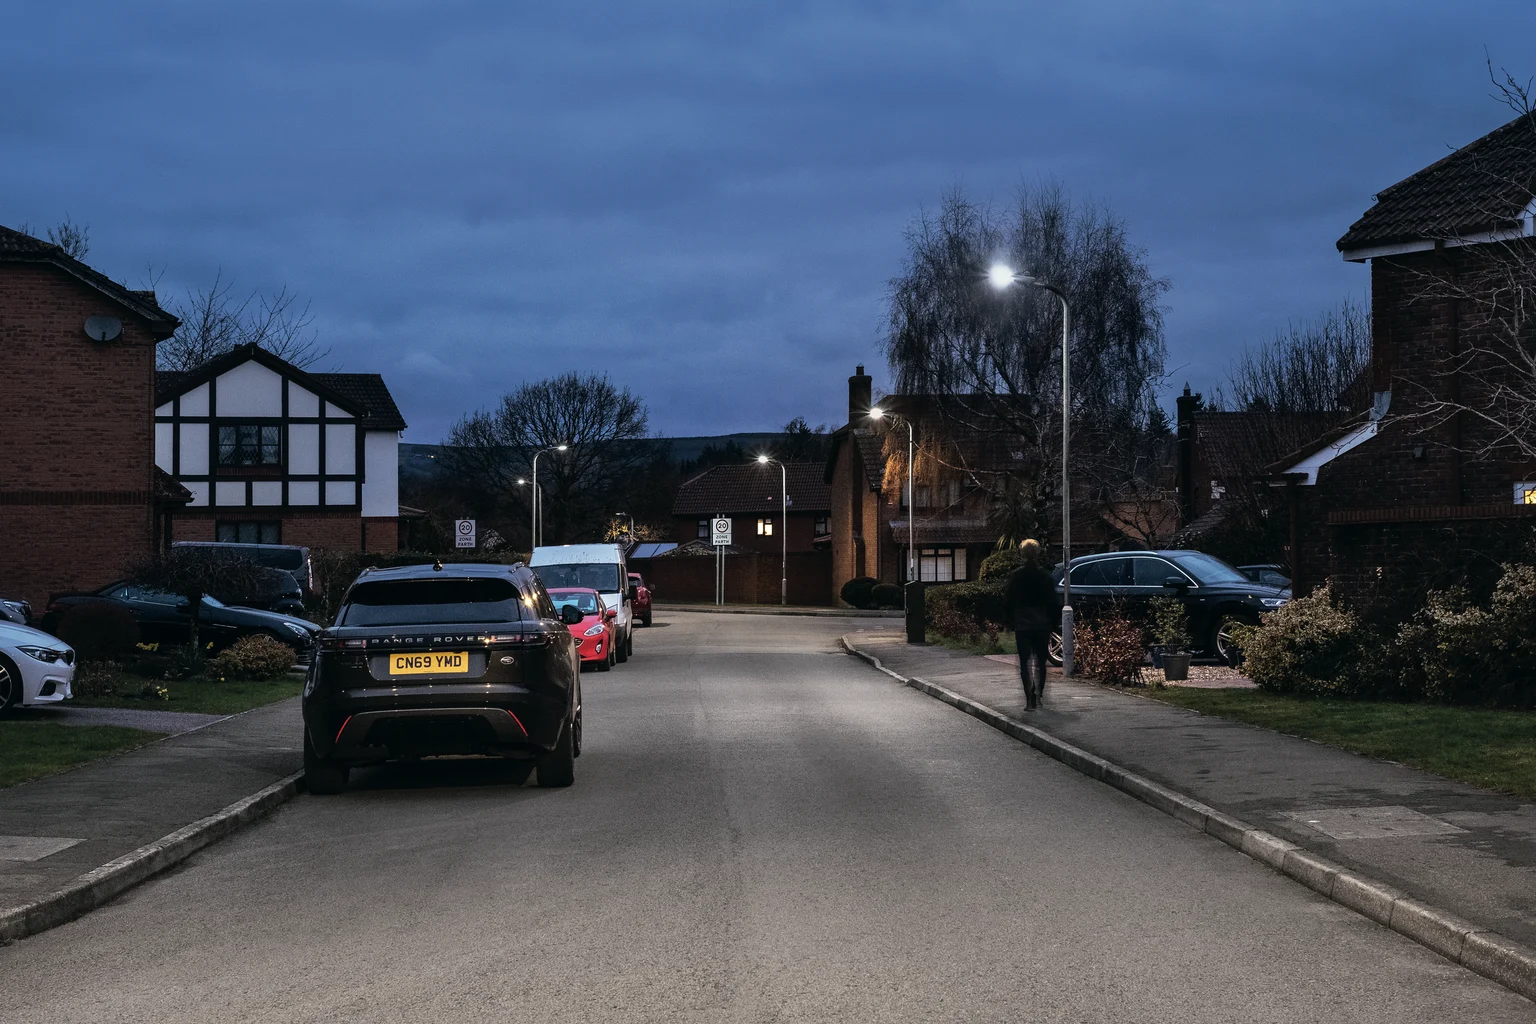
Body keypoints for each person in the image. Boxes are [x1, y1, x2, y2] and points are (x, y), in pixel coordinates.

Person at [1004, 539, 1057, 710]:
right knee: (1041, 663)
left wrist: (1008, 621)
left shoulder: (1016, 576)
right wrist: (1053, 622)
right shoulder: (1045, 577)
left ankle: (1029, 697)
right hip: (1041, 623)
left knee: (1024, 662)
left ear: (1022, 554)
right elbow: (1052, 602)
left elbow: (1008, 601)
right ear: (1038, 553)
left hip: (1022, 623)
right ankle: (1039, 694)